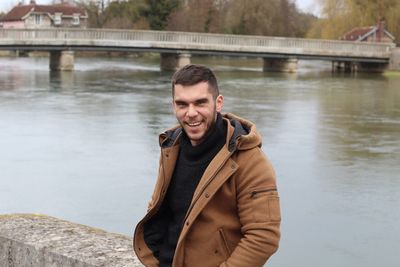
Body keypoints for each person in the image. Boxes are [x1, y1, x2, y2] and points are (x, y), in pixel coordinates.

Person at [133, 64, 281, 267]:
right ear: (173, 105)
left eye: (200, 103)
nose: (191, 113)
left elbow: (263, 237)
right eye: (182, 104)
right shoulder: (171, 145)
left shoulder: (250, 160)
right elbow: (157, 207)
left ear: (218, 103)